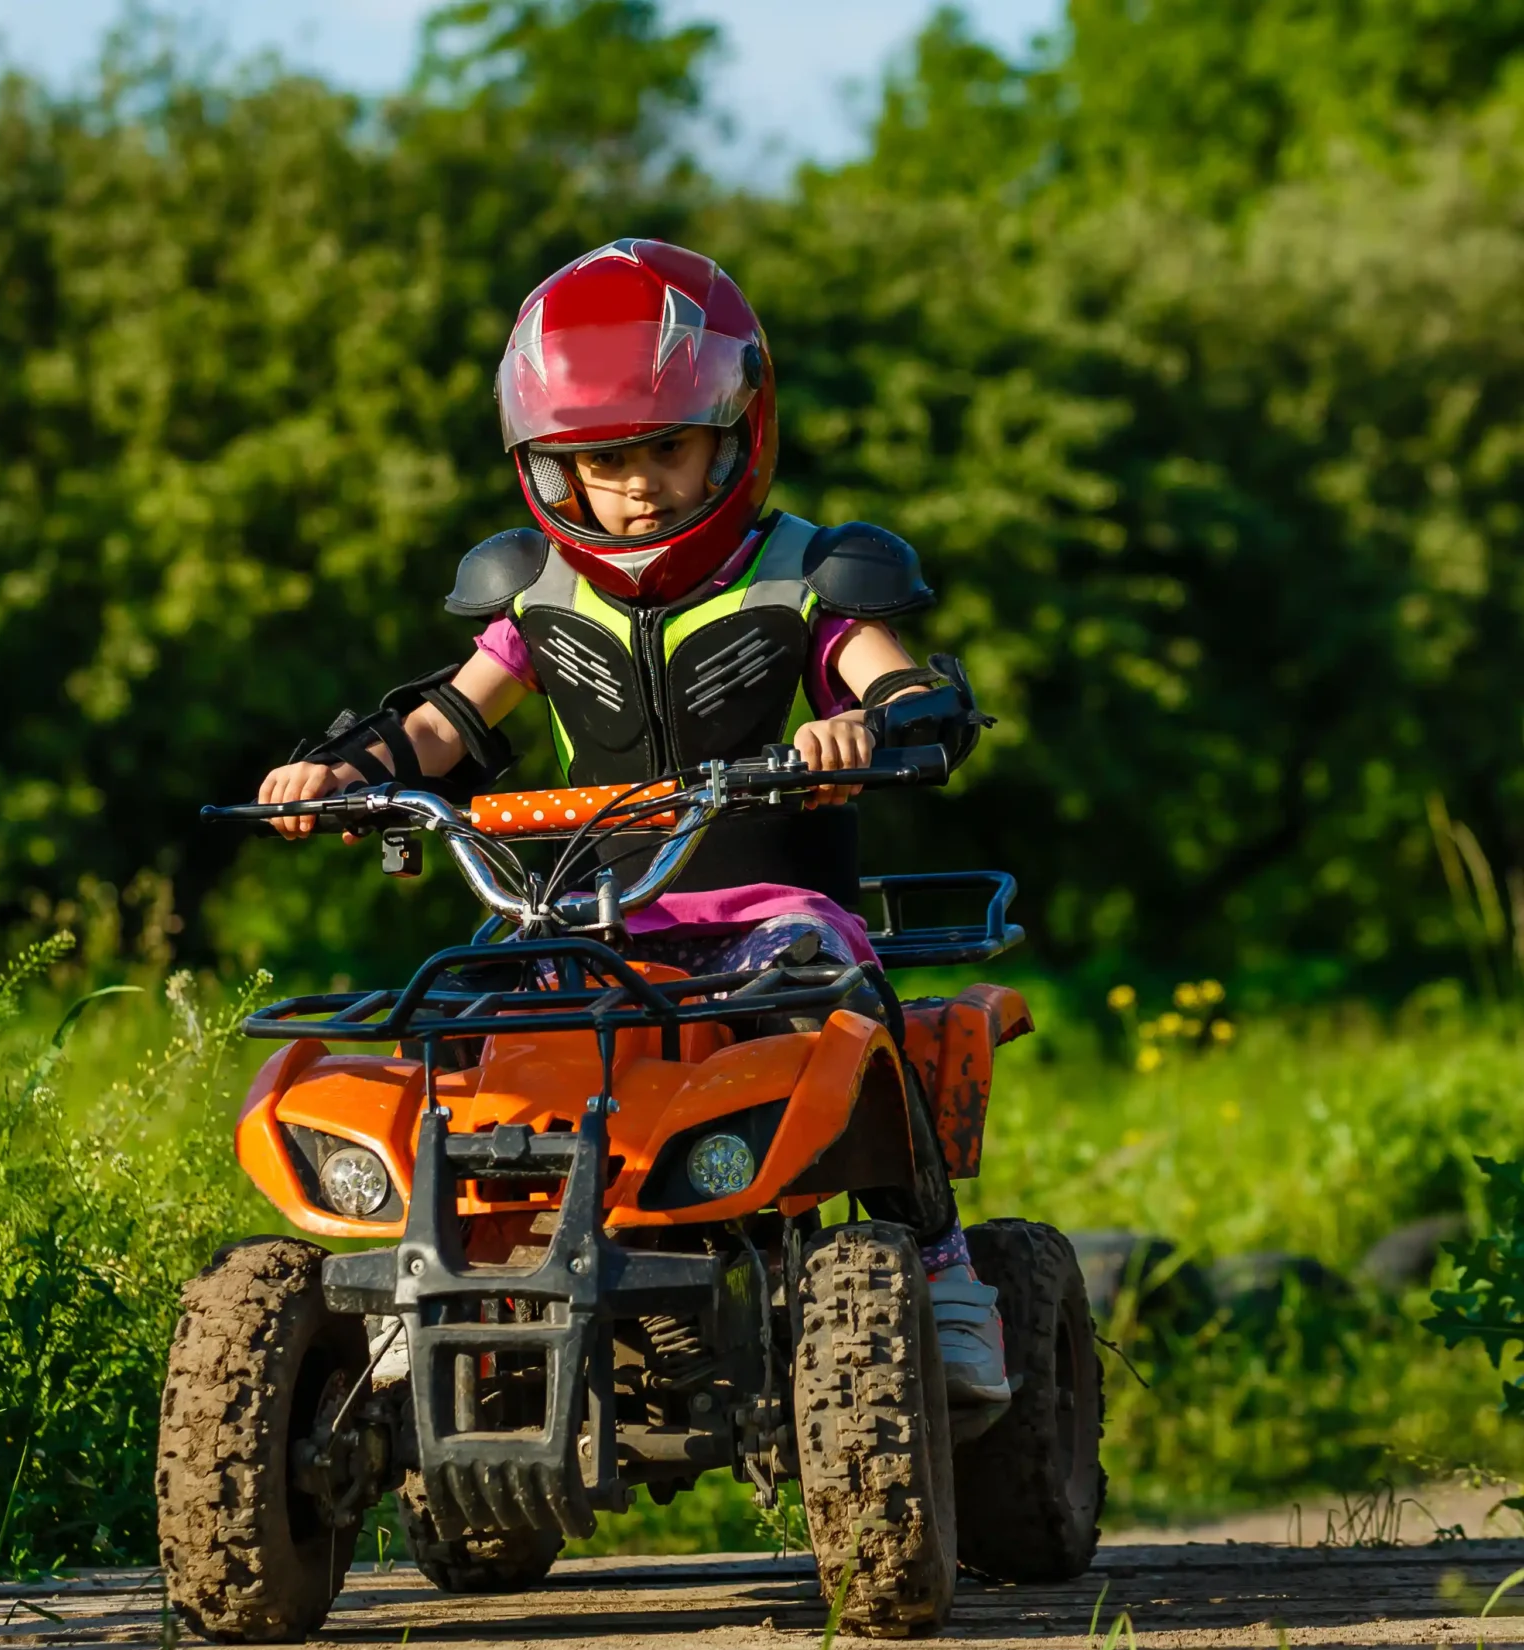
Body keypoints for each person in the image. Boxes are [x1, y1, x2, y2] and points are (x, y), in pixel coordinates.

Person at [255, 238, 1008, 1405]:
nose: (638, 482)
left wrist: (866, 725)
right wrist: (338, 773)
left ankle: (940, 1258)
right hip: (593, 919)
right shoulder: (536, 598)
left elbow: (903, 686)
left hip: (769, 910)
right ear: (550, 468)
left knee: (832, 993)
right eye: (602, 461)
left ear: (736, 432)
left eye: (667, 446)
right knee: (464, 1017)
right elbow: (446, 724)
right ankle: (438, 1272)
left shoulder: (811, 575)